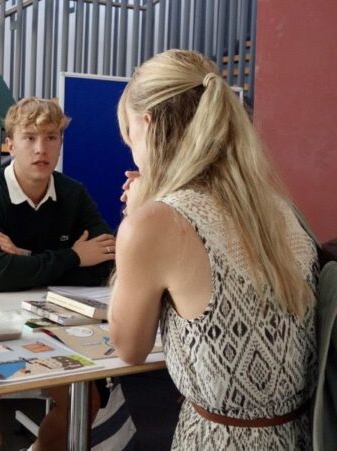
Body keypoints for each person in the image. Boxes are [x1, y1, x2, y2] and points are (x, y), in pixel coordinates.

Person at [108, 49, 317, 449]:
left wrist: (135, 214)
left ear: (147, 125)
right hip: (302, 433)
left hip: (217, 439)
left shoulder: (155, 223)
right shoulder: (280, 209)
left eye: (129, 135)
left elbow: (129, 348)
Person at [0, 97, 116, 451]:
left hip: (54, 320)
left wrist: (28, 258)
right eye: (29, 138)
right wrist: (75, 256)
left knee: (86, 401)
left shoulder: (73, 193)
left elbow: (106, 260)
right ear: (9, 144)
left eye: (51, 137)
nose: (41, 149)